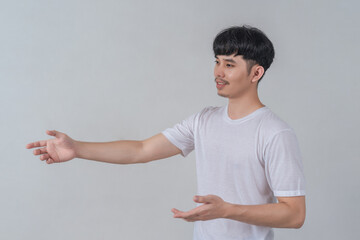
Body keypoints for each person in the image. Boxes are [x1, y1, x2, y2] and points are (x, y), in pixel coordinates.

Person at [26, 25, 306, 240]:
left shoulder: (275, 132)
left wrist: (227, 210)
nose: (218, 72)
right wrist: (78, 149)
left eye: (229, 64)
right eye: (217, 61)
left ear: (256, 73)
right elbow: (141, 150)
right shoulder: (204, 120)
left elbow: (294, 215)